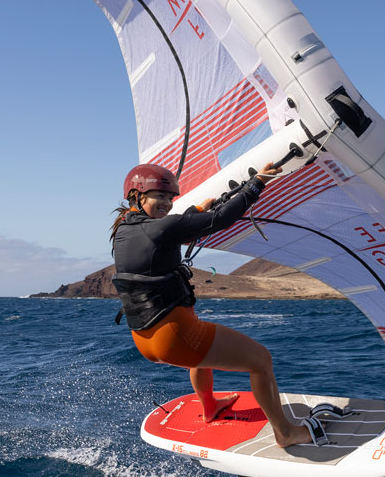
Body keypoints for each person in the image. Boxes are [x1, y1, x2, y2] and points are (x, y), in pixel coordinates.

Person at [109, 162, 325, 448]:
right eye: (159, 196)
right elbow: (221, 220)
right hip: (174, 337)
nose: (166, 203)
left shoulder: (124, 229)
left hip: (145, 339)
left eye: (170, 198)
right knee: (261, 360)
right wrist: (255, 185)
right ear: (137, 196)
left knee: (201, 353)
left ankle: (209, 406)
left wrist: (195, 213)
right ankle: (286, 433)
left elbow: (170, 233)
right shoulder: (164, 228)